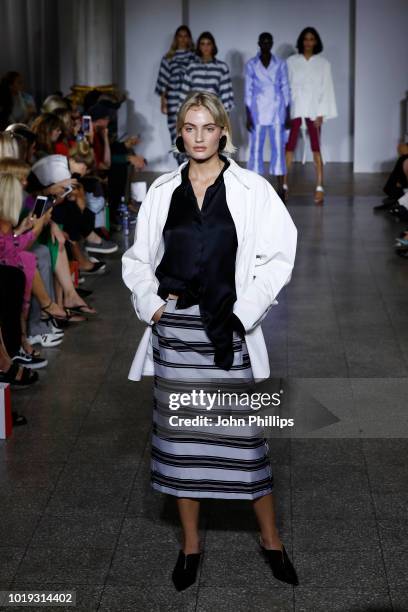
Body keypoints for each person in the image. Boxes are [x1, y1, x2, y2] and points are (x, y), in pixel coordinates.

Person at [122, 91, 298, 591]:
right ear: (179, 132)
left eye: (208, 127)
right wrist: (153, 304)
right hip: (176, 334)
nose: (199, 137)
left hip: (226, 330)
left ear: (224, 131)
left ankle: (271, 540)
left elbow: (280, 256)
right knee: (181, 443)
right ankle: (191, 545)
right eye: (190, 127)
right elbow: (138, 259)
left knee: (244, 442)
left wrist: (245, 313)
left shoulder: (252, 189)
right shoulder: (161, 190)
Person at [285, 27, 337, 204]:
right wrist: (286, 111)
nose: (308, 42)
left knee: (316, 147)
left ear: (316, 42)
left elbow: (327, 88)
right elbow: (286, 86)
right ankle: (284, 185)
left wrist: (322, 112)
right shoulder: (291, 61)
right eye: (306, 39)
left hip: (314, 110)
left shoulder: (323, 64)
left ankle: (320, 186)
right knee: (289, 147)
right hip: (296, 108)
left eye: (312, 39)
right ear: (301, 41)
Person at [245, 32, 290, 196]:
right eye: (263, 41)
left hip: (277, 110)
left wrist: (288, 112)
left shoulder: (280, 63)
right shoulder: (251, 64)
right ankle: (254, 188)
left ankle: (280, 189)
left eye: (268, 41)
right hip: (257, 109)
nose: (266, 44)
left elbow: (285, 87)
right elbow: (248, 90)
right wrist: (248, 114)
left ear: (272, 43)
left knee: (279, 147)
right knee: (255, 148)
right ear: (258, 43)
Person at [155, 25, 196, 163]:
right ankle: (181, 168)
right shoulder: (169, 57)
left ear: (189, 38)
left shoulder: (194, 57)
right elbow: (163, 80)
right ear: (176, 38)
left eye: (185, 36)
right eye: (180, 36)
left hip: (190, 100)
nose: (183, 39)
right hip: (173, 100)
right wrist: (163, 101)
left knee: (191, 132)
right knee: (175, 133)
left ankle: (192, 168)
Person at [179, 32, 234, 113]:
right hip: (195, 111)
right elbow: (184, 93)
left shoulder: (221, 67)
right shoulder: (192, 67)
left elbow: (226, 94)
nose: (206, 47)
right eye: (202, 44)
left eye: (208, 44)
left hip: (214, 112)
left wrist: (225, 117)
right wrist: (180, 113)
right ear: (199, 46)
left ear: (213, 46)